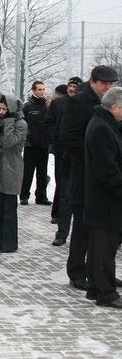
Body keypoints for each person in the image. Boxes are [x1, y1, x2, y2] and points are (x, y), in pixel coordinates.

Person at [60, 65, 119, 291]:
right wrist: (90, 158)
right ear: (93, 82)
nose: (108, 87)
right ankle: (77, 271)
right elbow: (68, 137)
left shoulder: (112, 103)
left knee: (104, 232)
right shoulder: (78, 102)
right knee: (83, 227)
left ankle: (101, 272)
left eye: (111, 84)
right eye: (104, 83)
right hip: (84, 174)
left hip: (104, 175)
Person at [84, 87, 122, 308]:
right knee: (103, 249)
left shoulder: (108, 124)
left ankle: (95, 287)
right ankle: (105, 293)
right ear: (114, 107)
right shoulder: (101, 128)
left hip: (106, 198)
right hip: (105, 199)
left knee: (101, 247)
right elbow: (107, 170)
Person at [0, 93, 27, 253]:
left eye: (4, 109)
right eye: (0, 108)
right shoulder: (1, 119)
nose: (1, 112)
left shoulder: (21, 124)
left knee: (9, 209)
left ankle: (8, 244)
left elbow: (9, 143)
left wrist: (8, 121)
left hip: (12, 166)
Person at [20, 81, 51, 206]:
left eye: (43, 89)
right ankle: (24, 196)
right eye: (39, 89)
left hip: (43, 144)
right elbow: (23, 124)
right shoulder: (27, 106)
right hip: (31, 144)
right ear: (33, 90)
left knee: (42, 172)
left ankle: (41, 196)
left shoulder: (47, 105)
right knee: (28, 172)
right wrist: (27, 138)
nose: (42, 92)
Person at [46, 84, 69, 228]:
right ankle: (57, 213)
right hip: (61, 151)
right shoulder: (58, 104)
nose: (72, 89)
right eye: (70, 86)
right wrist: (55, 142)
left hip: (78, 153)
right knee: (61, 183)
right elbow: (49, 124)